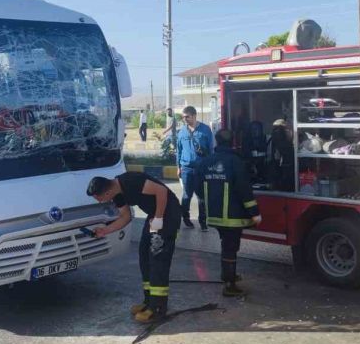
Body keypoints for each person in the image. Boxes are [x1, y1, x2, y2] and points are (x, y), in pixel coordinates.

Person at [87, 172, 181, 323]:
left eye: (100, 198)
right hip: (154, 215)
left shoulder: (131, 181)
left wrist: (158, 219)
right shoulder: (117, 195)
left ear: (107, 191)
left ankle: (158, 308)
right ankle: (149, 301)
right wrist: (105, 230)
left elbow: (161, 191)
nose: (101, 202)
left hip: (168, 213)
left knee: (157, 259)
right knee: (144, 256)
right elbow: (125, 217)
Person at [195, 129, 262, 297]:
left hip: (214, 215)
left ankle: (228, 275)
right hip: (232, 217)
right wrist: (254, 213)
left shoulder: (205, 162)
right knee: (230, 248)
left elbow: (197, 187)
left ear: (216, 142)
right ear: (233, 141)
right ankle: (229, 284)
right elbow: (244, 190)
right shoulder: (235, 162)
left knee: (227, 246)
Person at [176, 105, 213, 231]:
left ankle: (203, 221)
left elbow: (211, 150)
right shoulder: (181, 131)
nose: (185, 119)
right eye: (183, 117)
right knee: (187, 195)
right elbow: (178, 151)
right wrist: (178, 167)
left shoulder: (205, 130)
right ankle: (186, 218)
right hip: (186, 168)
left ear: (194, 116)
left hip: (201, 168)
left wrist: (210, 167)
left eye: (187, 117)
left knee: (201, 196)